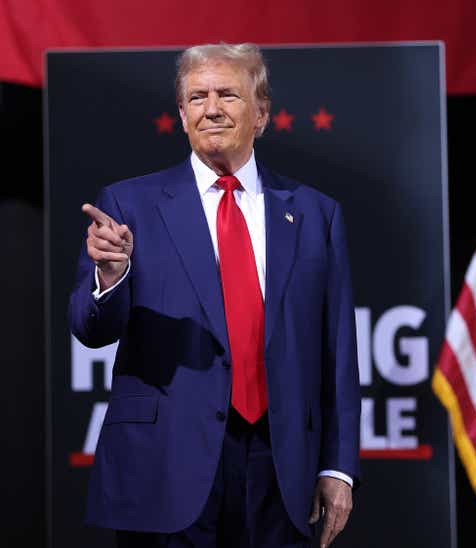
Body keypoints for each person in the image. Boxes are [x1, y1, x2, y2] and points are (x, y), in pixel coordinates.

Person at [68, 43, 361, 548]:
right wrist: (111, 275)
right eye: (197, 97)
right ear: (182, 115)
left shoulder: (316, 214)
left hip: (280, 468)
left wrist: (338, 467)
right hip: (165, 464)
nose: (212, 108)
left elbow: (338, 354)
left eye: (228, 94)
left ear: (262, 113)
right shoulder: (128, 205)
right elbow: (91, 329)